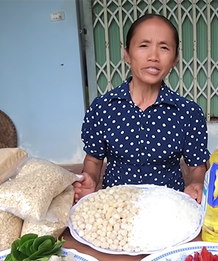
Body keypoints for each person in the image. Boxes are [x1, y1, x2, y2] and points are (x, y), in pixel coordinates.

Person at [73, 13, 210, 204]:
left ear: (175, 59)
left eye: (164, 47)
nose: (153, 56)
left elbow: (197, 165)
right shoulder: (103, 108)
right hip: (115, 210)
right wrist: (91, 179)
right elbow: (94, 160)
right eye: (144, 45)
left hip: (169, 209)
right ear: (127, 54)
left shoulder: (188, 113)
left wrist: (197, 182)